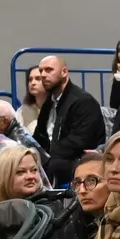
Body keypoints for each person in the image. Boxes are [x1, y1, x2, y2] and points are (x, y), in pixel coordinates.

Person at [30, 55, 106, 187]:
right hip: (55, 160)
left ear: (64, 72)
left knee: (51, 166)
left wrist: (47, 157)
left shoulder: (84, 101)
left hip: (79, 161)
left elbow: (79, 142)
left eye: (49, 70)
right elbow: (39, 137)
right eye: (41, 70)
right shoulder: (49, 103)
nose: (43, 75)